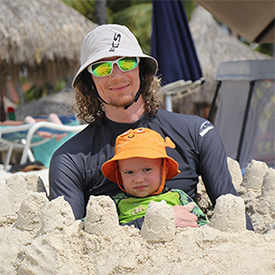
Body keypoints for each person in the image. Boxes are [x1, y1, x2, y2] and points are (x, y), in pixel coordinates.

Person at [49, 24, 253, 230]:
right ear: (90, 82)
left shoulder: (197, 133)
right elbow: (68, 239)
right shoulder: (70, 159)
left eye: (126, 62)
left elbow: (233, 216)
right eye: (102, 68)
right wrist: (153, 222)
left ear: (141, 69)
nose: (117, 75)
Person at [101, 127, 209, 228]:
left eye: (147, 170)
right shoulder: (116, 202)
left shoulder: (178, 196)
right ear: (120, 173)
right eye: (129, 172)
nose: (139, 179)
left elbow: (202, 223)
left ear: (164, 169)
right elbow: (95, 225)